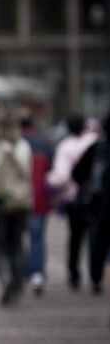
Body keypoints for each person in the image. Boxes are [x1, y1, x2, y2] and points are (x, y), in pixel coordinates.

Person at [0, 106, 32, 306]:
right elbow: (28, 173)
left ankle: (4, 276)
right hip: (19, 201)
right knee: (17, 244)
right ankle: (17, 288)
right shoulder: (23, 145)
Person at [46, 115, 99, 291]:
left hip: (73, 198)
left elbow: (60, 176)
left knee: (75, 237)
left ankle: (74, 274)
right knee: (95, 237)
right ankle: (95, 276)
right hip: (96, 197)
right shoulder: (94, 141)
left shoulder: (65, 146)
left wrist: (50, 182)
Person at [72, 112, 110, 295]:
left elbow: (77, 173)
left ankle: (96, 277)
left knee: (97, 241)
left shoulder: (98, 148)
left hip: (99, 204)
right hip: (99, 204)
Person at [21, 116, 54, 295]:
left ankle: (26, 272)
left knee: (20, 239)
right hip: (41, 198)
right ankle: (38, 273)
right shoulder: (44, 143)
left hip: (20, 198)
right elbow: (53, 171)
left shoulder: (17, 143)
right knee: (38, 237)